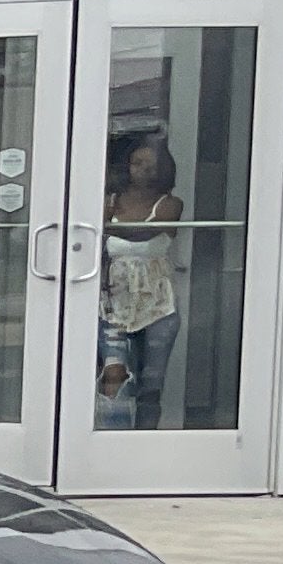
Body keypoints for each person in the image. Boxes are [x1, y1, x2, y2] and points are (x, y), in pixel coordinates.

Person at [95, 125, 184, 428]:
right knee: (113, 374)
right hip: (113, 304)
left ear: (163, 169)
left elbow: (143, 232)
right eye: (137, 163)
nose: (143, 171)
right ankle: (112, 439)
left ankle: (144, 442)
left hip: (158, 305)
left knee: (151, 383)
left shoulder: (170, 204)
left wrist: (104, 226)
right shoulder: (110, 200)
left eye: (151, 165)